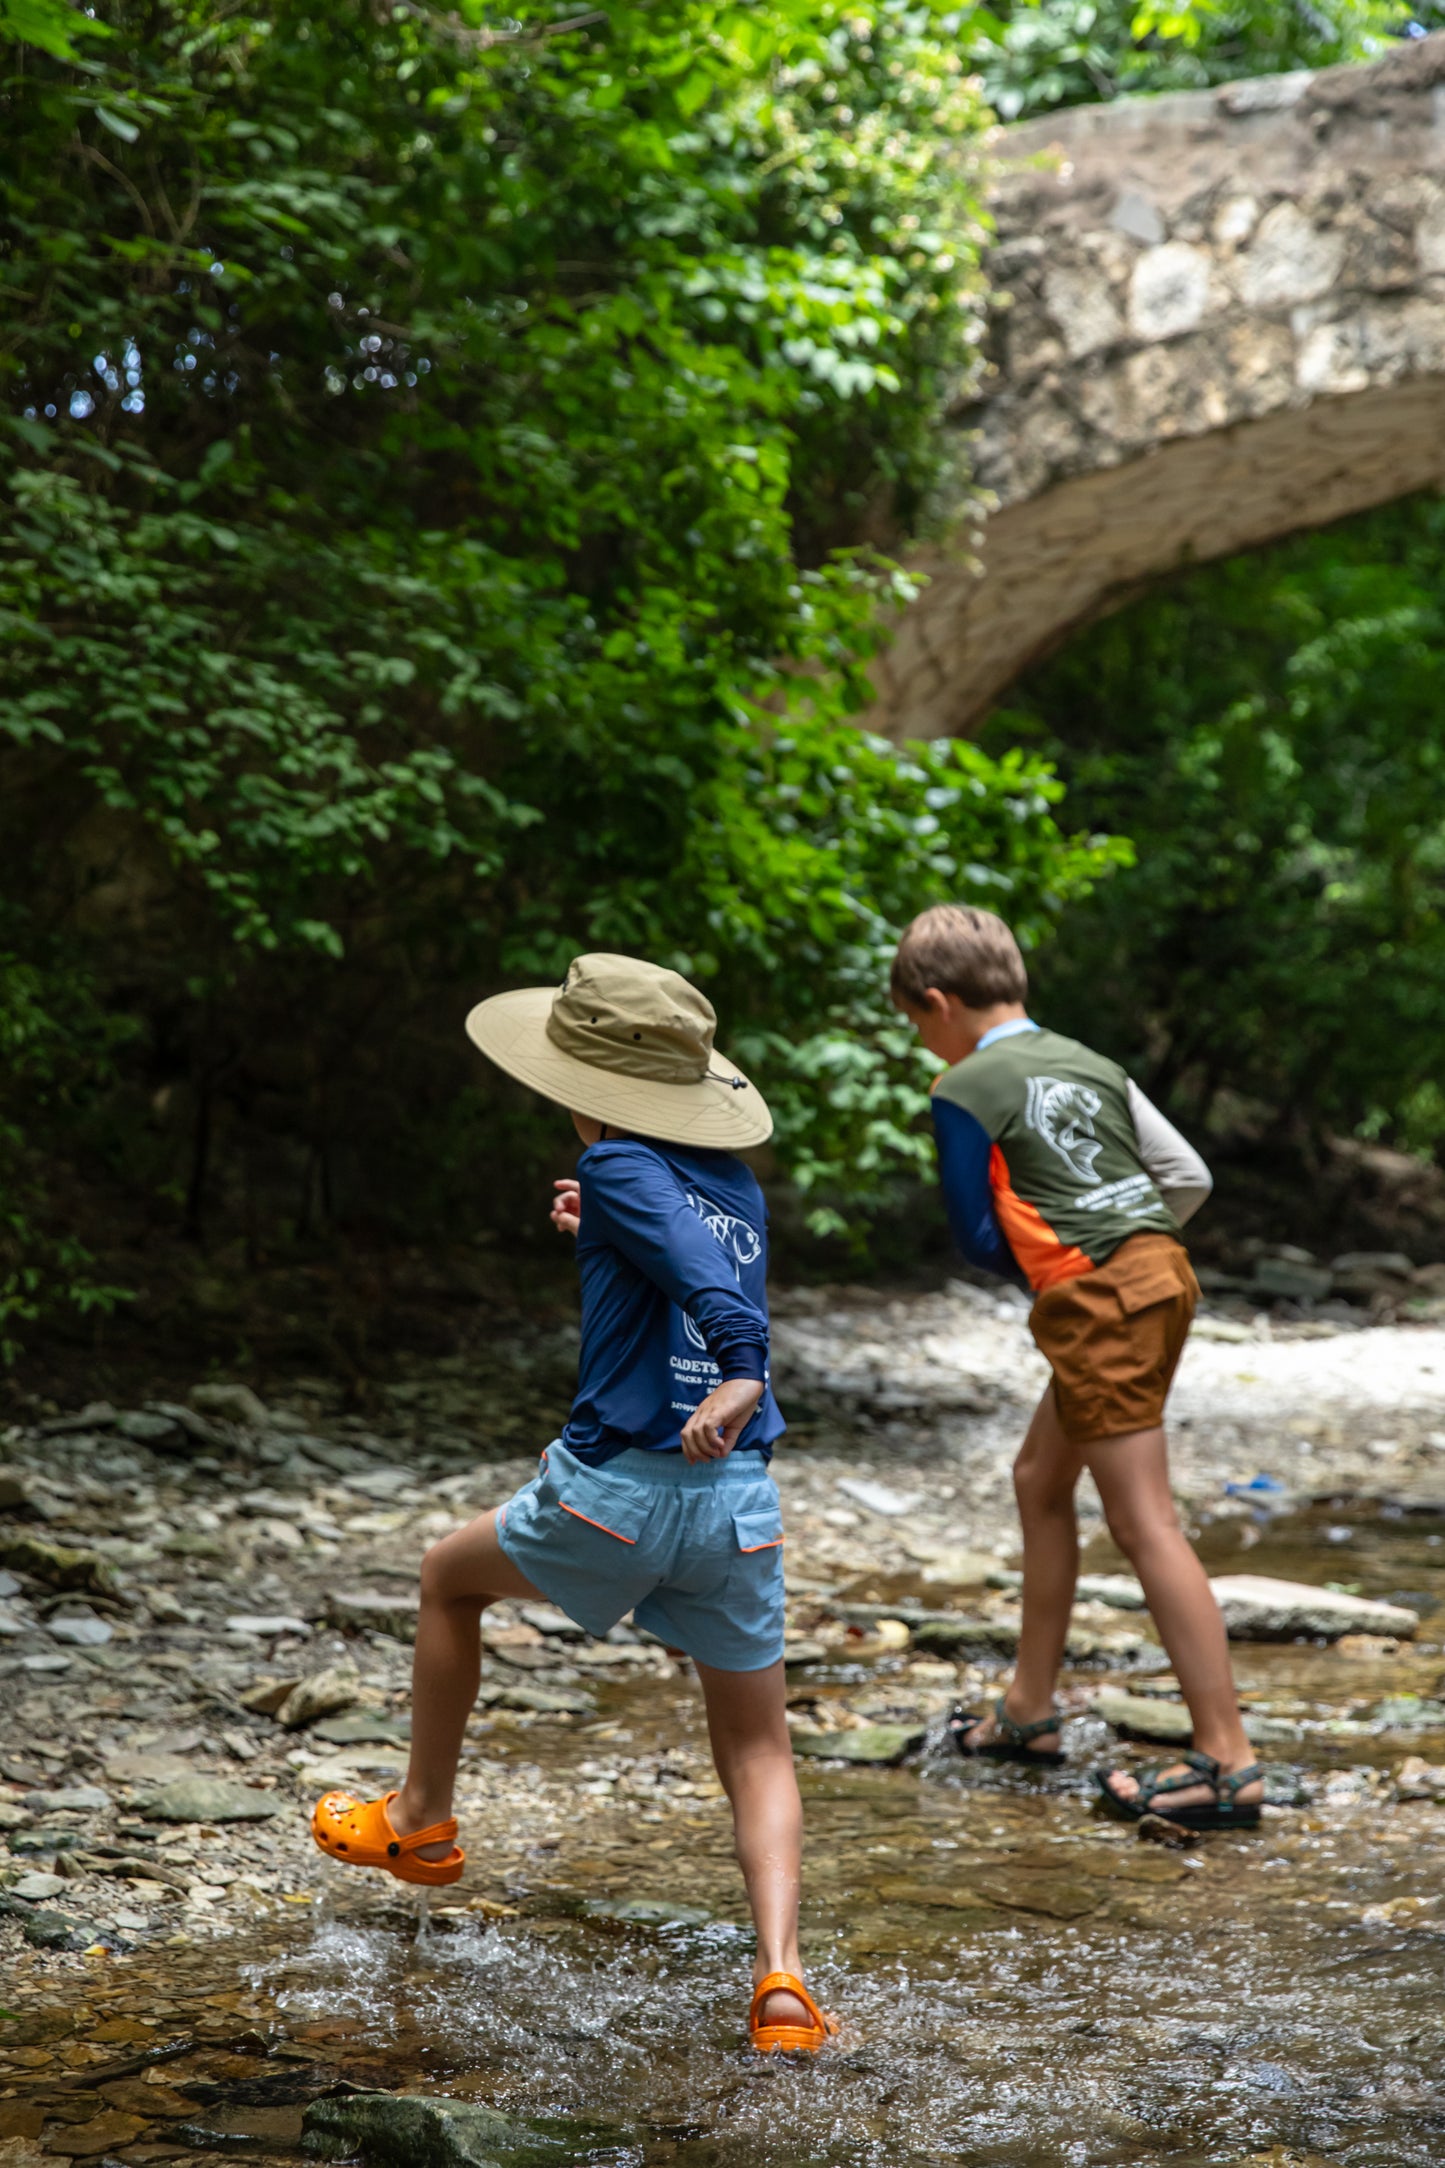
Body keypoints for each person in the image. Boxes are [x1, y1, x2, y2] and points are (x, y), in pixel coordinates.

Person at [311, 953, 836, 2052]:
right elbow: (687, 1249)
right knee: (758, 1744)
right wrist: (594, 1222)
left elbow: (701, 1285)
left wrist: (746, 1366)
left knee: (447, 1580)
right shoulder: (727, 1183)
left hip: (620, 1493)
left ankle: (421, 1821)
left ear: (577, 1076)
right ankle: (781, 1980)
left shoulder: (626, 1171)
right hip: (737, 1506)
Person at [891, 904, 1262, 1831]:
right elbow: (1186, 1175)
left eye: (916, 1024)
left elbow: (977, 1236)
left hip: (1099, 1300)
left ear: (935, 1003)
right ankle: (1028, 1710)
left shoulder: (965, 1085)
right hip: (1157, 1278)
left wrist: (1079, 1269)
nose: (923, 1043)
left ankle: (1227, 1759)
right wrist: (1124, 1246)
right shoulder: (1092, 1062)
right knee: (1037, 1477)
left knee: (1145, 1524)